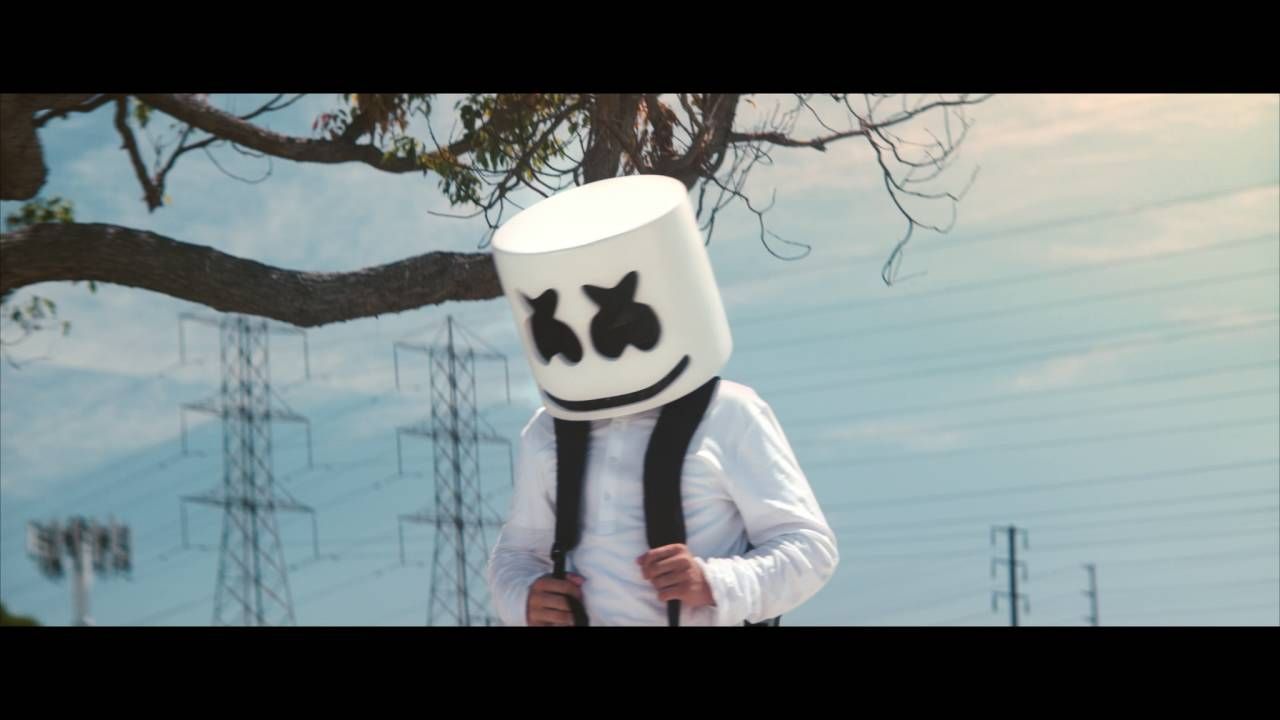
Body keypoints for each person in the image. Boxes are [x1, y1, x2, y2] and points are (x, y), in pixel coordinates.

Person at [485, 174, 838, 626]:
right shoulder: (546, 430)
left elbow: (810, 548)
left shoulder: (729, 412)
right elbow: (516, 553)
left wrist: (713, 582)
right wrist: (524, 599)